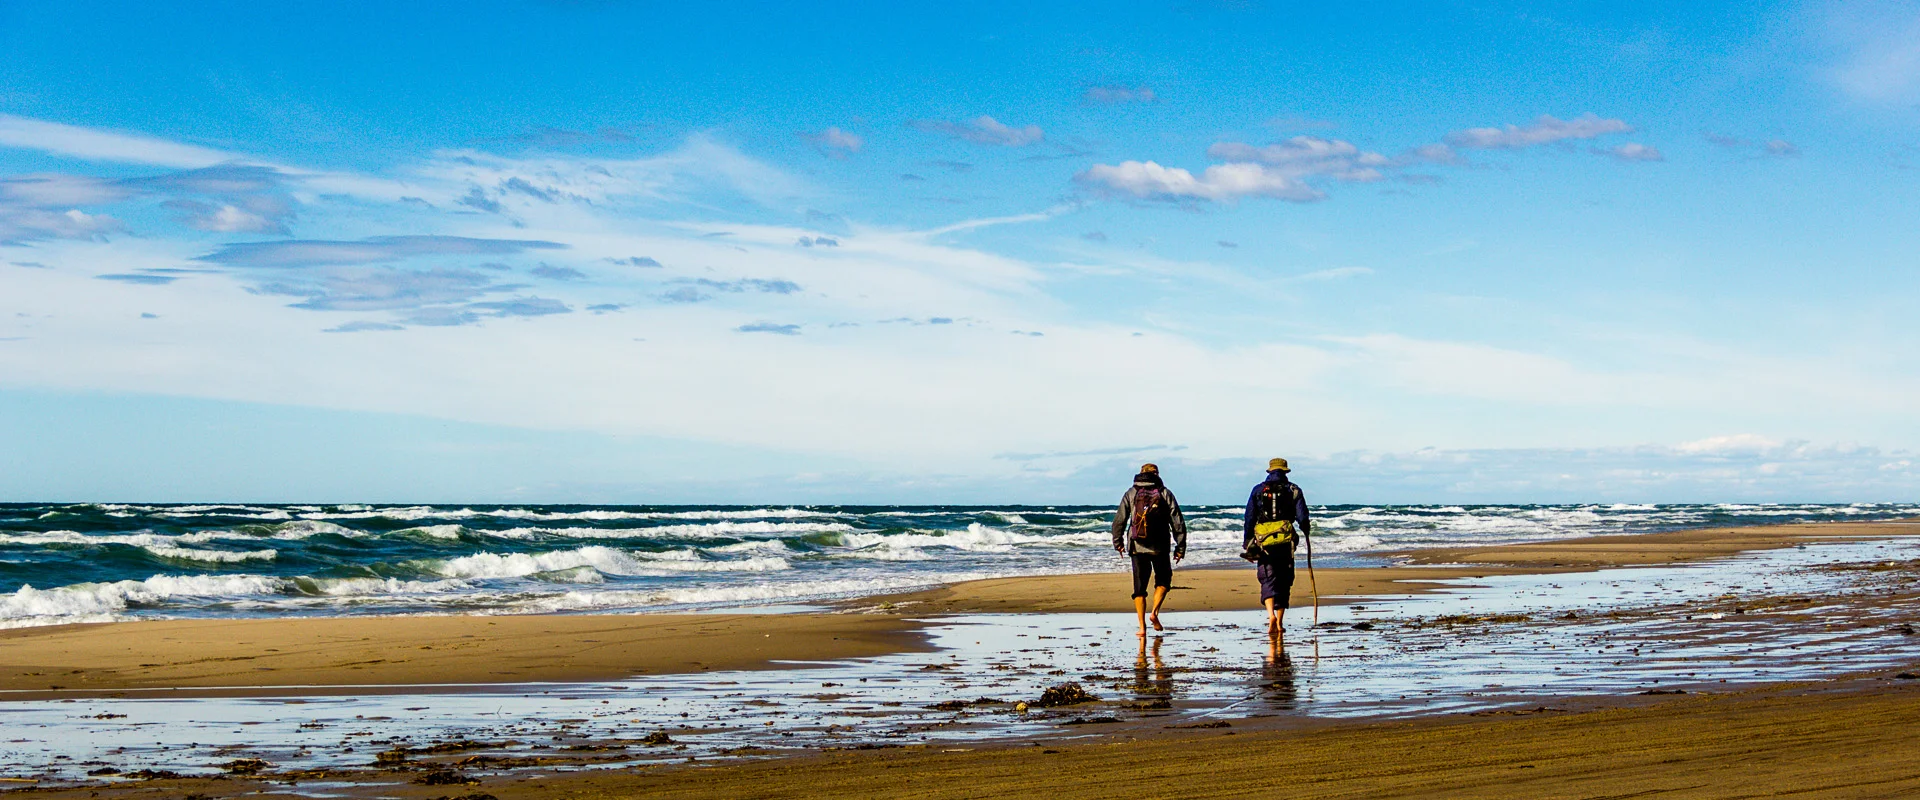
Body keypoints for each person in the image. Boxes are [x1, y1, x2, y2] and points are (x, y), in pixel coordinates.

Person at [1110, 463, 1187, 636]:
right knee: (1163, 581)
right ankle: (1154, 613)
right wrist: (1180, 547)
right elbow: (1177, 521)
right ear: (1157, 474)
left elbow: (1119, 520)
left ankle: (1142, 628)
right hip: (1160, 546)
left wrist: (1118, 542)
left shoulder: (1131, 493)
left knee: (1139, 587)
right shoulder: (1165, 493)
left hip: (1137, 546)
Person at [1242, 457, 1311, 637]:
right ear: (1286, 472)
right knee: (1284, 579)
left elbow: (1249, 518)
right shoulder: (1294, 490)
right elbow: (1302, 516)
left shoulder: (1257, 490)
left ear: (1269, 472)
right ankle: (1279, 622)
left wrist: (1247, 542)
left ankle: (1270, 615)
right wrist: (1306, 530)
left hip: (1264, 542)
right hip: (1286, 541)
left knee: (1267, 577)